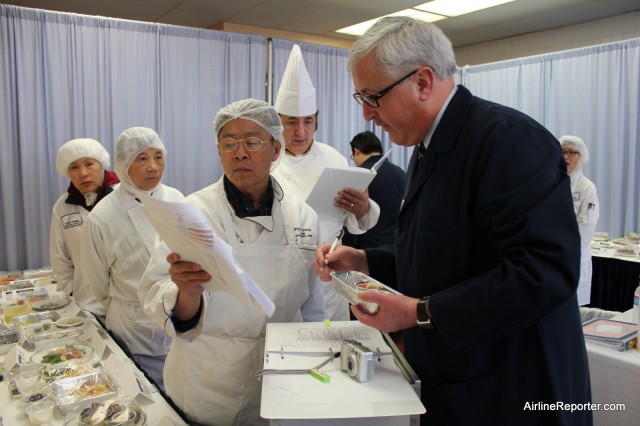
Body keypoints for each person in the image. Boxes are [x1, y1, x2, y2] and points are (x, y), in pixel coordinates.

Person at [314, 16, 591, 425]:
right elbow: (445, 252)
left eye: (374, 97)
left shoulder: (508, 141)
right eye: (362, 100)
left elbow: (543, 273)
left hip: (516, 389)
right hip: (462, 380)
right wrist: (365, 261)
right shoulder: (429, 148)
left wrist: (418, 312)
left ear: (423, 82)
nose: (369, 116)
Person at [138, 99, 324, 425]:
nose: (239, 153)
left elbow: (312, 307)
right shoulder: (192, 213)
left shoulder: (303, 217)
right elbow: (156, 292)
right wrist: (187, 293)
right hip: (207, 382)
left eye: (252, 142)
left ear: (276, 149)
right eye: (228, 143)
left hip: (280, 376)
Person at [271, 44, 380, 320]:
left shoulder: (333, 157)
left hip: (330, 276)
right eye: (291, 122)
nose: (300, 131)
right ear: (277, 123)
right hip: (284, 275)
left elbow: (357, 219)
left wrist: (362, 208)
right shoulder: (267, 163)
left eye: (308, 121)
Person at [76, 127, 184, 391]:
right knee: (146, 396)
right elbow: (97, 282)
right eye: (142, 158)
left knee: (181, 390)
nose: (153, 167)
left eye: (158, 157)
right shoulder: (103, 216)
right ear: (123, 164)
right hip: (132, 327)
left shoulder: (177, 199)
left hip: (179, 316)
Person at [49, 138, 119, 295]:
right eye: (74, 167)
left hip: (128, 299)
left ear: (101, 164)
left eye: (89, 164)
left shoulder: (125, 195)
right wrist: (71, 290)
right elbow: (59, 257)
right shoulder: (62, 207)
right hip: (87, 299)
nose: (83, 173)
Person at [342, 131, 406, 249]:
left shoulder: (359, 175)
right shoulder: (401, 173)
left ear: (356, 151)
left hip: (367, 250)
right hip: (395, 247)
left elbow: (351, 216)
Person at [559, 135, 599, 306]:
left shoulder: (586, 187)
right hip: (555, 252)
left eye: (572, 152)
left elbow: (586, 225)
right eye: (563, 152)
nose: (566, 157)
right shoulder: (555, 182)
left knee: (574, 305)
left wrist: (568, 250)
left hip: (574, 253)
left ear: (581, 156)